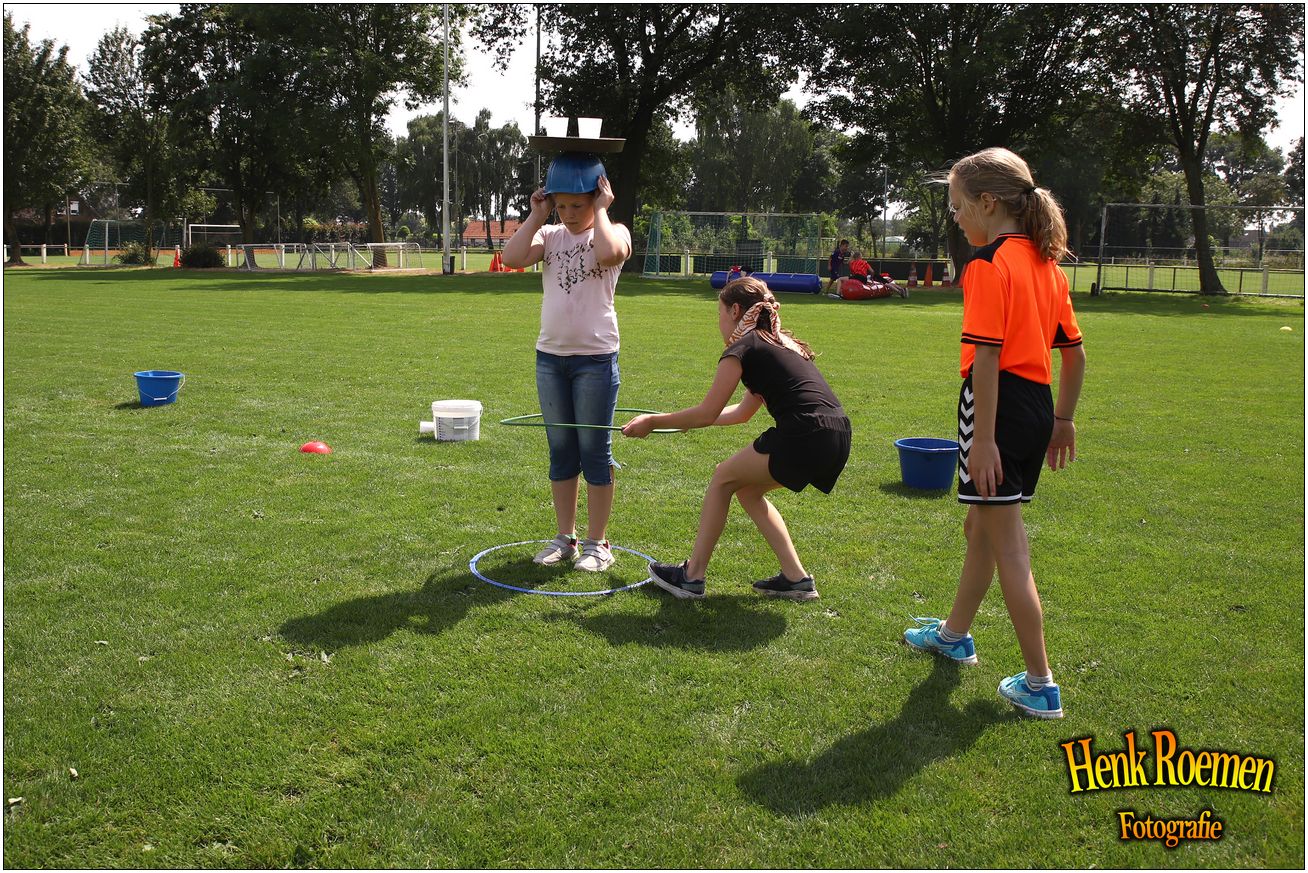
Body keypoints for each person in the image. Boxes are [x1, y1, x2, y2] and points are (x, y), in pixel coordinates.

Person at [902, 147, 1086, 720]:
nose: (955, 216)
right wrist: (1062, 420)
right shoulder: (1048, 267)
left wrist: (982, 439)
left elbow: (986, 357)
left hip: (995, 410)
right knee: (979, 525)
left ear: (987, 203)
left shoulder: (987, 265)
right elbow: (1075, 355)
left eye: (958, 206)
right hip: (1035, 408)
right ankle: (955, 634)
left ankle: (1040, 683)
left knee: (1008, 543)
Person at [622, 276, 851, 601]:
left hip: (805, 432)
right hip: (836, 434)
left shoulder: (743, 348)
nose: (719, 322)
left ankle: (691, 576)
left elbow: (707, 412)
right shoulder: (777, 342)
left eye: (719, 314)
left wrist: (653, 422)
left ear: (734, 311)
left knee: (722, 478)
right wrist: (686, 422)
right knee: (747, 490)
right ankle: (796, 578)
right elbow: (741, 413)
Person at [501, 152, 633, 572]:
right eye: (562, 205)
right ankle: (565, 538)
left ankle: (598, 543)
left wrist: (602, 210)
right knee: (561, 451)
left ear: (597, 197)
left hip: (595, 360)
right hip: (550, 359)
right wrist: (538, 216)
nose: (570, 214)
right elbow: (512, 258)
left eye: (578, 204)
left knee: (594, 451)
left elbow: (610, 254)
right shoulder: (550, 235)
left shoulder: (615, 232)